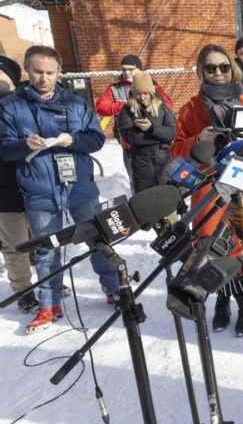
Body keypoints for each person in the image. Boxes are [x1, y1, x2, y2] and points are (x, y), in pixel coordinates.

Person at [0, 46, 120, 334]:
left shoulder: (76, 102)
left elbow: (95, 139)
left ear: (59, 72)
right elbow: (3, 148)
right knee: (46, 249)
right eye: (38, 72)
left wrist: (73, 140)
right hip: (39, 189)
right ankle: (49, 303)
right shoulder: (11, 105)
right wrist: (22, 145)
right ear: (27, 70)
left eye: (50, 72)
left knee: (99, 238)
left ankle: (114, 287)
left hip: (79, 187)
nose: (44, 78)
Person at [172, 44, 243, 337]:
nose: (218, 73)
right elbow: (176, 150)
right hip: (208, 187)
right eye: (211, 68)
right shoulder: (191, 109)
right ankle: (223, 299)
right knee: (212, 247)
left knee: (240, 245)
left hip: (242, 185)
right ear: (201, 71)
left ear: (233, 68)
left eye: (223, 67)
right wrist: (198, 140)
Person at [95, 54, 173, 190]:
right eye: (124, 69)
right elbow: (101, 107)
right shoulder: (115, 88)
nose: (126, 73)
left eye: (131, 69)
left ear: (140, 70)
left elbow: (167, 105)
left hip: (158, 147)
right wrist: (124, 106)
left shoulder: (152, 85)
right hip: (131, 146)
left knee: (163, 182)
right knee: (137, 182)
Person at [0, 55, 37, 313]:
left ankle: (46, 281)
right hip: (4, 191)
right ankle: (23, 290)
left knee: (40, 239)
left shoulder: (27, 104)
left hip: (35, 185)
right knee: (15, 244)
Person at [117, 71, 176, 193]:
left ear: (151, 92)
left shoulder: (163, 108)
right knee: (146, 201)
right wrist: (160, 137)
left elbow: (172, 133)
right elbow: (130, 137)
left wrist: (151, 129)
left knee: (167, 198)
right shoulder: (127, 111)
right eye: (138, 94)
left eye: (145, 93)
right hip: (141, 164)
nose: (142, 97)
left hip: (163, 162)